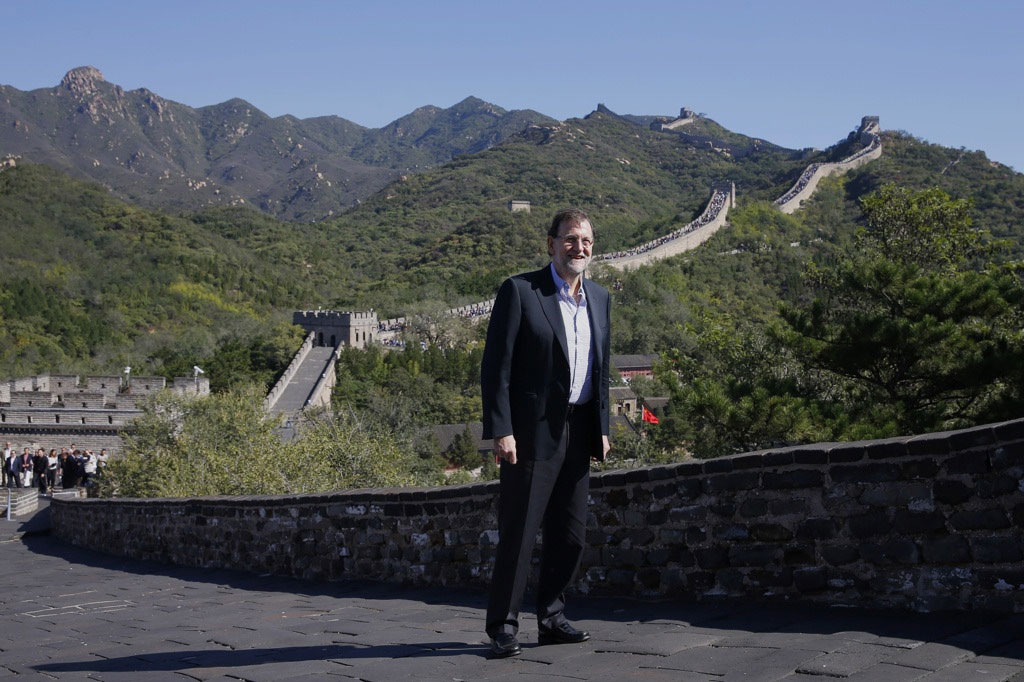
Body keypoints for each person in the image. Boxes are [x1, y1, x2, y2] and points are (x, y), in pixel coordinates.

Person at [480, 208, 611, 658]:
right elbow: (495, 368)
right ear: (551, 244)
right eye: (571, 239)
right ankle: (503, 625)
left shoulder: (599, 296)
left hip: (579, 428)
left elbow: (601, 369)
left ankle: (552, 618)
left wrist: (603, 427)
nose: (580, 248)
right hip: (530, 433)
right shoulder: (521, 291)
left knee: (571, 534)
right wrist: (501, 430)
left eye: (587, 241)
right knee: (520, 532)